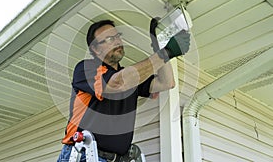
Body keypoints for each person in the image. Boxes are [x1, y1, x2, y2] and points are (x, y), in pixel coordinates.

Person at [57, 19, 190, 162]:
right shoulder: (86, 68)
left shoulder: (131, 77)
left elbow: (166, 82)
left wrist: (159, 47)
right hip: (83, 154)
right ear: (95, 49)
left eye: (117, 36)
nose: (117, 41)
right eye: (109, 39)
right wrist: (166, 53)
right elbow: (118, 83)